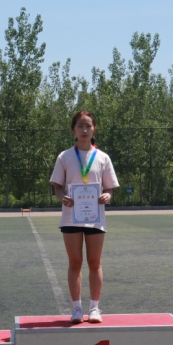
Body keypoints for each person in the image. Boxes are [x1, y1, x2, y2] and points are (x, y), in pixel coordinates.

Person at [49, 111, 119, 324]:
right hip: (71, 217)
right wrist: (62, 197)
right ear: (73, 129)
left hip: (95, 218)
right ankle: (77, 309)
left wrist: (107, 195)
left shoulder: (103, 157)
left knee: (95, 262)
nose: (85, 130)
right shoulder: (64, 156)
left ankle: (95, 308)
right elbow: (57, 187)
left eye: (88, 126)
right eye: (80, 126)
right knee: (75, 262)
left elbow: (109, 188)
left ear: (94, 128)